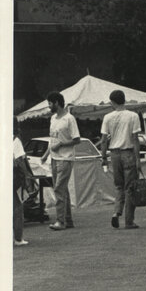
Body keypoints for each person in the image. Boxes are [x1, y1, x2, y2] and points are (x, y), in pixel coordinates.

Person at [99, 89, 143, 230]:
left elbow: (104, 140)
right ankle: (129, 221)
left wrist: (104, 157)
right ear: (124, 100)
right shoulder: (133, 116)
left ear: (112, 102)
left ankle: (116, 212)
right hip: (128, 152)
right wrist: (138, 159)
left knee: (119, 187)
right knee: (130, 187)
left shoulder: (107, 117)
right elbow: (135, 139)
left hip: (114, 154)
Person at [40, 90, 80, 231]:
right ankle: (68, 220)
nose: (49, 106)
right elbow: (53, 139)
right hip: (54, 159)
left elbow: (76, 139)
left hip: (66, 159)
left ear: (57, 103)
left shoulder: (69, 119)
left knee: (58, 189)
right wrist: (46, 155)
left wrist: (62, 144)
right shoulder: (53, 119)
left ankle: (60, 221)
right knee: (63, 190)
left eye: (50, 103)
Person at [13, 118, 32, 246]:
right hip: (15, 177)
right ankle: (18, 238)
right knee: (18, 207)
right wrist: (27, 176)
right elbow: (20, 160)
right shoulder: (16, 140)